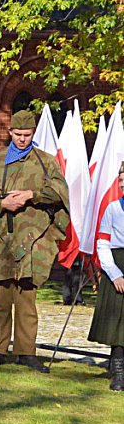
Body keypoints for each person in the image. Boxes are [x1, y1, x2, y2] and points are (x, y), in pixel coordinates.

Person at [0, 109, 70, 373]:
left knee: (26, 298)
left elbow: (60, 192)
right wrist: (2, 203)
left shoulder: (45, 162)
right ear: (10, 132)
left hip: (33, 240)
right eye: (18, 134)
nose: (22, 139)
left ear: (34, 133)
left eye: (27, 134)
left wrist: (31, 195)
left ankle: (27, 352)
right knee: (1, 297)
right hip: (1, 240)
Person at [87, 163, 124, 391]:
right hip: (117, 268)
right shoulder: (112, 209)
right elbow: (103, 244)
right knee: (118, 325)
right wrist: (115, 274)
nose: (122, 185)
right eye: (121, 181)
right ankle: (119, 374)